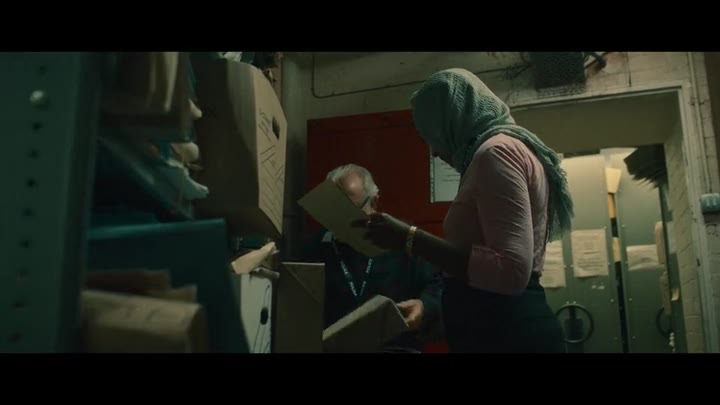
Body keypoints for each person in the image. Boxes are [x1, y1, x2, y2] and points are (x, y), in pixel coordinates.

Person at [354, 68, 574, 353]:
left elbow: (511, 271)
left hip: (509, 338)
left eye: (434, 134)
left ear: (456, 117)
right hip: (503, 332)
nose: (434, 151)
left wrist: (410, 238)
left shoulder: (496, 153)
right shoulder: (499, 151)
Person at [303, 164, 443, 352]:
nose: (340, 223)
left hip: (396, 348)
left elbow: (439, 285)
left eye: (349, 213)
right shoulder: (314, 248)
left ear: (374, 203)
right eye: (333, 213)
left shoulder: (401, 239)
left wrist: (424, 306)